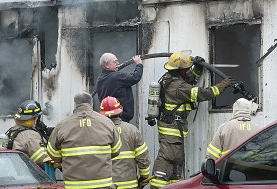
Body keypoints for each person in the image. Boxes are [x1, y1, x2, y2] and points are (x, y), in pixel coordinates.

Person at [150, 50, 236, 189]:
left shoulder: (170, 78)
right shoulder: (178, 86)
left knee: (174, 160)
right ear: (180, 70)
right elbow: (203, 94)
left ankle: (173, 185)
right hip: (172, 128)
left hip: (171, 126)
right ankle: (157, 186)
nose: (188, 70)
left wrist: (197, 68)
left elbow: (188, 80)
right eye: (187, 68)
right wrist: (222, 85)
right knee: (168, 157)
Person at [47, 91, 122, 189]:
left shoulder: (62, 126)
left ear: (75, 105)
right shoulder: (107, 123)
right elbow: (116, 151)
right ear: (91, 104)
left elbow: (53, 154)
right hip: (102, 184)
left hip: (74, 185)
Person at [100, 96, 151, 189]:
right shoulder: (132, 130)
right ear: (120, 111)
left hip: (106, 185)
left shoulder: (98, 132)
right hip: (129, 184)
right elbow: (143, 158)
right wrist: (144, 178)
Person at [96, 53, 143, 123]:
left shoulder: (99, 80)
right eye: (115, 62)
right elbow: (135, 77)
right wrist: (139, 64)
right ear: (106, 65)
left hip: (107, 119)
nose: (118, 63)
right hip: (120, 119)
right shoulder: (116, 77)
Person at [5, 100, 49, 169]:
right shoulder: (31, 135)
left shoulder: (12, 131)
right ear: (34, 118)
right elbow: (42, 160)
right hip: (28, 174)